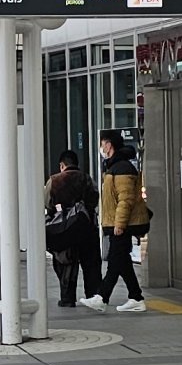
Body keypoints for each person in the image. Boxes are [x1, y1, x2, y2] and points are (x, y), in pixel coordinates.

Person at [91, 128, 147, 313]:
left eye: (102, 144)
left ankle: (102, 297)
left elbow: (125, 199)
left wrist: (119, 224)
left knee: (116, 260)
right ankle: (135, 297)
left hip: (122, 224)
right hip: (117, 222)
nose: (101, 148)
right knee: (121, 260)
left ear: (109, 145)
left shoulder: (122, 168)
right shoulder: (114, 166)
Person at [43, 149, 99, 309]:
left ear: (62, 165)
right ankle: (93, 296)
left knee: (66, 263)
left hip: (64, 229)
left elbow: (47, 203)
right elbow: (94, 199)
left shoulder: (54, 181)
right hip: (86, 227)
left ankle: (67, 298)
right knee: (91, 264)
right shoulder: (87, 179)